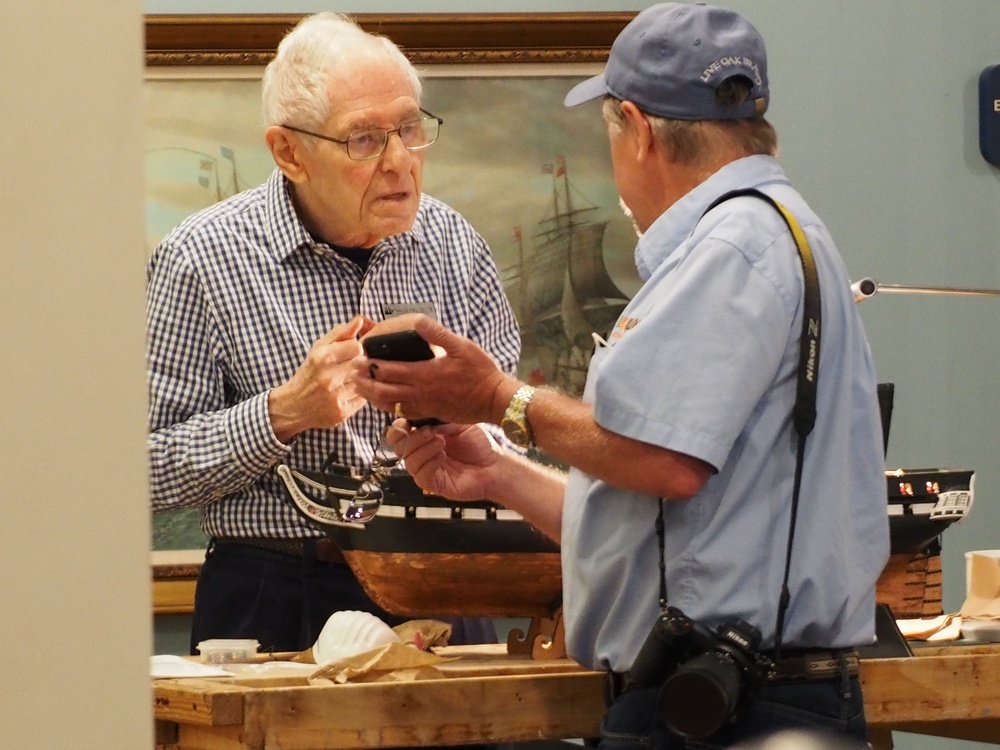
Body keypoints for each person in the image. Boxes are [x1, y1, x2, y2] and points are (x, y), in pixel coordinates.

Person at [353, 4, 889, 748]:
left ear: (636, 128)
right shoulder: (774, 231)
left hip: (723, 708)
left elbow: (665, 462)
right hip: (741, 696)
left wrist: (497, 398)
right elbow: (669, 523)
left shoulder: (731, 249)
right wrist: (502, 476)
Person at [146, 11, 520, 654]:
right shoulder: (200, 259)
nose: (402, 162)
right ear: (290, 152)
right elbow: (142, 470)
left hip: (447, 583)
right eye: (366, 140)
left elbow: (511, 425)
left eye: (409, 128)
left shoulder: (456, 245)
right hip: (275, 589)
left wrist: (468, 424)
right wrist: (283, 414)